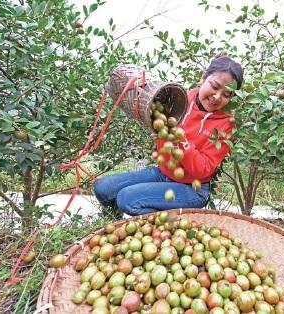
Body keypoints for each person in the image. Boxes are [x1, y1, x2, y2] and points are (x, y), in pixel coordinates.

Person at [93, 55, 244, 216]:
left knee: (127, 199)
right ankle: (117, 220)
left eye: (227, 95)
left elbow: (203, 170)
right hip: (163, 173)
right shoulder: (181, 99)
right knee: (102, 188)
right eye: (214, 86)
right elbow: (161, 131)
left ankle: (172, 226)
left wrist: (181, 140)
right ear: (203, 77)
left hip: (192, 188)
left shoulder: (227, 125)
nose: (216, 96)